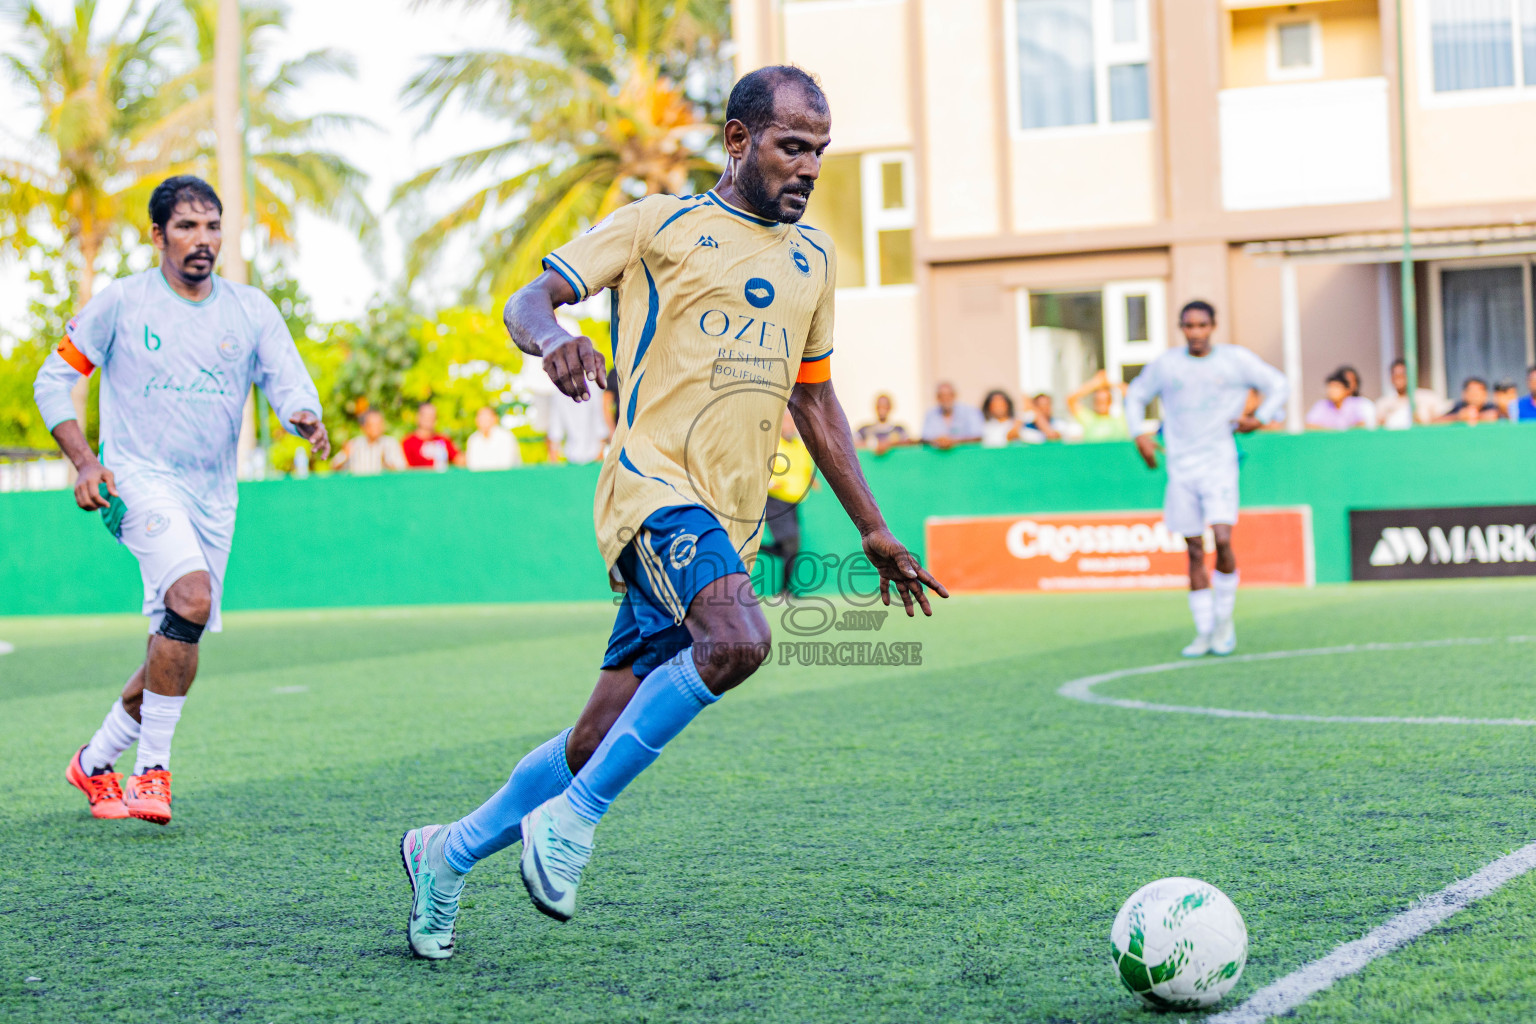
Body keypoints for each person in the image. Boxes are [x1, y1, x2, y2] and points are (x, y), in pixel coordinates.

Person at [397, 66, 946, 959]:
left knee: (592, 737)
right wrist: (556, 340)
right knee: (741, 641)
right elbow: (527, 300)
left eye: (819, 151)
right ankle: (572, 824)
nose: (808, 168)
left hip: (721, 525)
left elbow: (816, 400)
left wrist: (873, 525)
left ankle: (445, 854)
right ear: (739, 142)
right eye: (790, 147)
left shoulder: (814, 259)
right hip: (652, 490)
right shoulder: (662, 224)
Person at [31, 175, 328, 825]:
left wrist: (305, 417)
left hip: (216, 495)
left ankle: (95, 761)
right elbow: (53, 381)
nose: (204, 240)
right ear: (158, 234)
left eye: (214, 225)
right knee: (191, 600)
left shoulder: (250, 309)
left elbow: (288, 379)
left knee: (177, 637)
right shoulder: (122, 303)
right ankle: (152, 772)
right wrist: (85, 462)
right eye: (188, 226)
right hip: (135, 478)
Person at [1124, 299, 1288, 659]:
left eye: (1201, 325)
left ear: (1213, 326)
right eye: (1189, 326)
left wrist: (1259, 416)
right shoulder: (1167, 364)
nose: (1195, 332)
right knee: (1194, 549)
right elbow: (1135, 395)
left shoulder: (1235, 360)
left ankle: (1224, 620)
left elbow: (1278, 384)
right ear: (1181, 328)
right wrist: (1139, 434)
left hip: (1219, 461)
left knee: (1223, 538)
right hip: (1181, 466)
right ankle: (1204, 631)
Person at [759, 410, 817, 595]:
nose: (789, 426)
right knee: (791, 543)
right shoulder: (772, 445)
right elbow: (759, 469)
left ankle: (751, 546)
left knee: (790, 546)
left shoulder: (800, 447)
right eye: (785, 422)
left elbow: (805, 468)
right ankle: (784, 591)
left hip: (794, 502)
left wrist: (811, 480)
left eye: (792, 422)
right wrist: (769, 482)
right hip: (775, 501)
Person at [1376, 358, 1446, 429]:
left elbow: (1441, 419)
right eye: (1395, 376)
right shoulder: (1384, 403)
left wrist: (1423, 423)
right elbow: (1379, 426)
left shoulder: (1428, 397)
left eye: (1402, 375)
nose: (1398, 379)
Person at [332, 409, 405, 475]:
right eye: (372, 425)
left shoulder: (390, 444)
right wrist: (345, 455)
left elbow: (402, 470)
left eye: (379, 424)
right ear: (364, 427)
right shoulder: (354, 444)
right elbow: (334, 467)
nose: (376, 428)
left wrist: (387, 463)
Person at [547, 387, 609, 464]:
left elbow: (600, 421)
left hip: (592, 455)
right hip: (576, 456)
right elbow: (555, 429)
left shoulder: (559, 390)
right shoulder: (559, 392)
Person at [1066, 371, 1129, 442]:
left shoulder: (1120, 421)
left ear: (1110, 401)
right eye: (1098, 401)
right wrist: (1096, 383)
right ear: (1094, 403)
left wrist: (1109, 382)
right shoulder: (1089, 420)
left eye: (1104, 400)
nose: (1101, 404)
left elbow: (1131, 394)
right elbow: (1071, 399)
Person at [920, 381, 984, 449]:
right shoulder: (931, 414)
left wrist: (953, 441)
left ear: (954, 395)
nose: (945, 399)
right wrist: (939, 441)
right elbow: (925, 438)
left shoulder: (970, 412)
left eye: (949, 395)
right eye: (942, 396)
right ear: (937, 398)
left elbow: (978, 436)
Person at [1305, 371, 1375, 430]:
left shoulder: (1358, 404)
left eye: (1336, 387)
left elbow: (1362, 424)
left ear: (1346, 390)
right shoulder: (1321, 405)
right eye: (1330, 387)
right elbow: (1310, 425)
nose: (1332, 391)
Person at [401, 402, 463, 469]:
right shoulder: (408, 442)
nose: (430, 419)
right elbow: (403, 467)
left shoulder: (443, 440)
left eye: (433, 416)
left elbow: (459, 460)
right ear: (418, 417)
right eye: (426, 416)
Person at [465, 405, 521, 471]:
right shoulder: (473, 439)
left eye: (486, 417)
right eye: (480, 417)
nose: (483, 420)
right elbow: (472, 465)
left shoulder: (506, 437)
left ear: (495, 418)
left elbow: (506, 465)